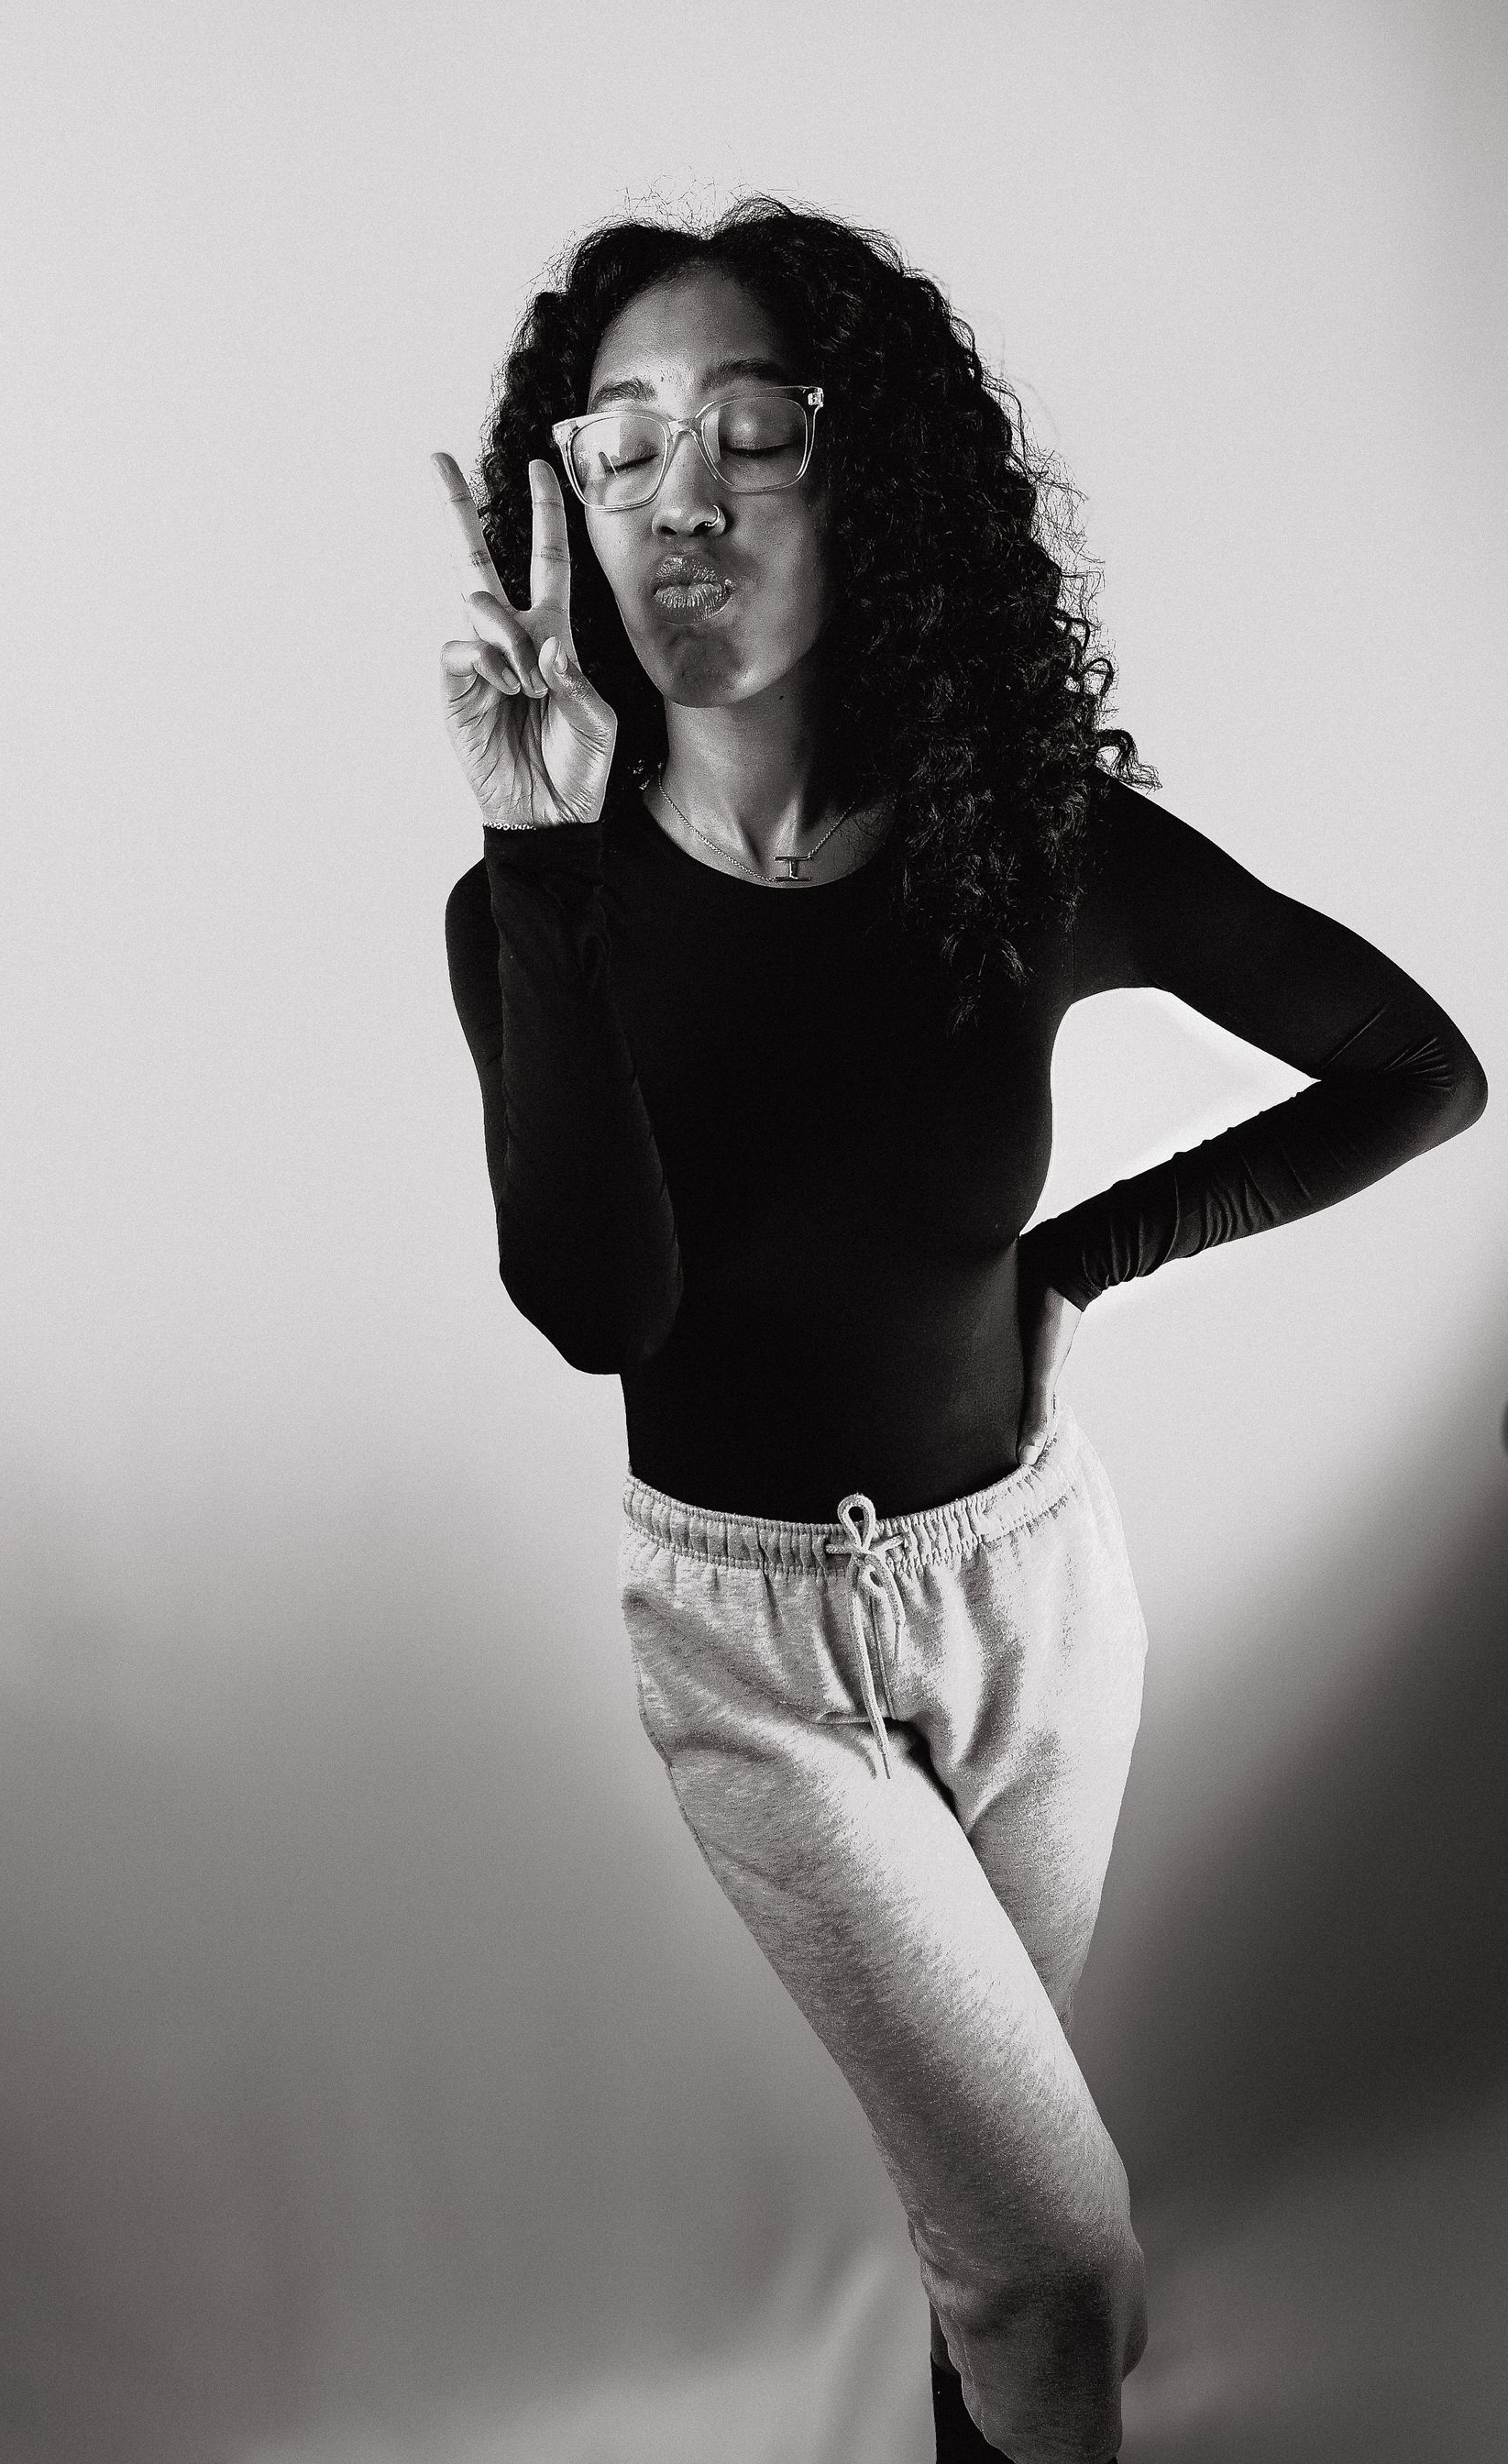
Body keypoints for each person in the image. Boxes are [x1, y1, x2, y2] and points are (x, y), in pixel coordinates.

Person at [430, 200, 1486, 2464]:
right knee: (1057, 2264)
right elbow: (597, 1306)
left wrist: (1074, 1262)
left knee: (977, 2241)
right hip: (750, 1658)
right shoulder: (537, 904)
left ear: (867, 476)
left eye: (750, 431)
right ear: (566, 512)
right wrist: (536, 864)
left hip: (1029, 1602)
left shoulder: (1023, 848)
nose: (679, 487)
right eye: (615, 447)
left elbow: (1421, 1069)